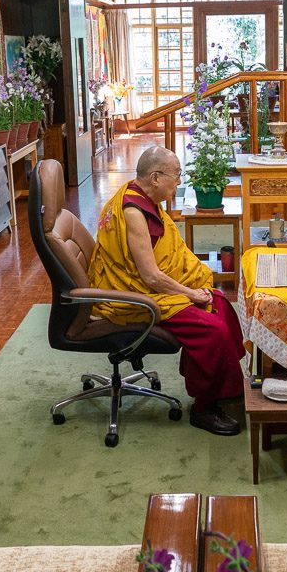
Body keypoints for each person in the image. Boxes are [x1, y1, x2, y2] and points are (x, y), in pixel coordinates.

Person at [88, 146, 246, 436]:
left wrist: (194, 288)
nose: (179, 181)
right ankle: (204, 408)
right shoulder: (133, 212)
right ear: (156, 177)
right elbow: (150, 276)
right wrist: (190, 293)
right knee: (211, 329)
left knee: (221, 304)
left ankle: (227, 389)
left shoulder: (142, 195)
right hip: (134, 296)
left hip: (147, 284)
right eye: (176, 175)